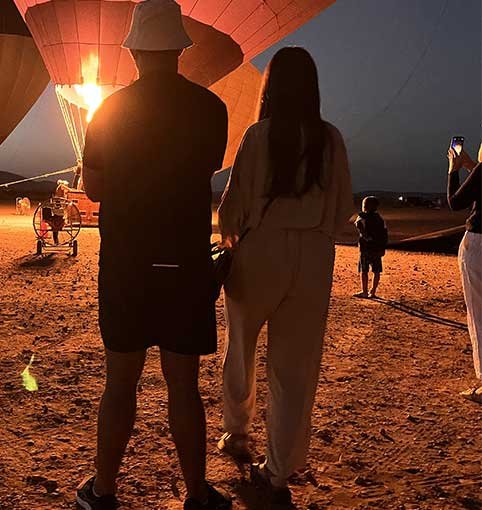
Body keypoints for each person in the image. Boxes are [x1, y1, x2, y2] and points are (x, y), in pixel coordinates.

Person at [76, 1, 230, 509]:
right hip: (184, 264)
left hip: (127, 265)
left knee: (119, 384)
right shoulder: (211, 108)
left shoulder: (109, 110)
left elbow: (93, 188)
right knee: (184, 387)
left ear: (135, 51)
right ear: (180, 50)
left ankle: (103, 491)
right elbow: (204, 168)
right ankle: (196, 494)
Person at [217, 47, 354, 508]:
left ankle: (237, 431)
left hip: (260, 250)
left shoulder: (258, 135)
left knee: (241, 348)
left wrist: (232, 243)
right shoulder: (330, 139)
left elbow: (233, 207)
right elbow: (342, 209)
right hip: (314, 255)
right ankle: (278, 470)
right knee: (296, 369)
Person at [446, 139, 481, 404]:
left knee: (479, 313)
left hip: (478, 244)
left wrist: (453, 170)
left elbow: (455, 202)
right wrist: (472, 167)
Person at [354, 196, 388, 298]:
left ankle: (364, 292)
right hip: (377, 248)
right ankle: (372, 292)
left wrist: (367, 237)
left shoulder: (362, 217)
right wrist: (382, 248)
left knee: (364, 271)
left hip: (366, 248)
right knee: (376, 271)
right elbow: (385, 235)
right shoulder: (380, 219)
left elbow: (359, 226)